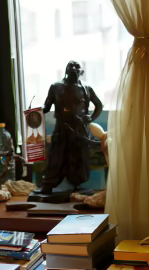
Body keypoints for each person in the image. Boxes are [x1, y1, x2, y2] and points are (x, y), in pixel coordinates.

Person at [40, 60, 103, 193]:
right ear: (66, 69)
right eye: (71, 65)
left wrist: (90, 118)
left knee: (78, 158)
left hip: (79, 129)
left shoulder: (86, 88)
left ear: (81, 72)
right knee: (56, 156)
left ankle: (77, 184)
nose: (73, 68)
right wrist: (36, 112)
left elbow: (99, 105)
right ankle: (48, 185)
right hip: (61, 128)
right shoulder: (55, 87)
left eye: (77, 66)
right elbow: (46, 106)